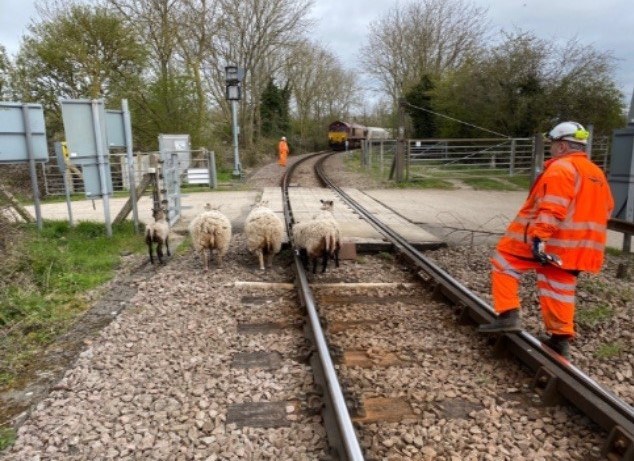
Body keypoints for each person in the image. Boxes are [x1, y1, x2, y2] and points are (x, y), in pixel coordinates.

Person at [478, 121, 614, 359]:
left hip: (551, 241)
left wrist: (540, 238)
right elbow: (607, 209)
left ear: (562, 146)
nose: (551, 148)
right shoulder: (596, 173)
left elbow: (553, 207)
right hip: (579, 248)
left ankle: (508, 315)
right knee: (559, 288)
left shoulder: (561, 168)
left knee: (504, 261)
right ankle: (560, 339)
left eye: (553, 144)